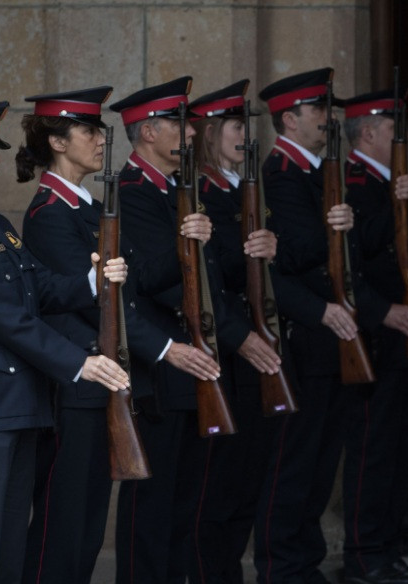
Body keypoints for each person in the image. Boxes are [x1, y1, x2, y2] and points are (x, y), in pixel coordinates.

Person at [0, 101, 130, 584]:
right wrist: (79, 363)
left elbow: (40, 288)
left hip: (15, 404)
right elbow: (4, 317)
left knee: (8, 549)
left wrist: (93, 281)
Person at [16, 86, 221, 584]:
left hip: (104, 383)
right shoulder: (49, 214)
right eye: (89, 130)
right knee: (63, 524)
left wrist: (183, 244)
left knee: (86, 524)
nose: (101, 139)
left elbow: (138, 281)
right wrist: (166, 349)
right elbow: (89, 300)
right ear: (59, 142)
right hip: (77, 385)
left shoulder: (87, 207)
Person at [110, 76, 258, 584]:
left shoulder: (177, 189)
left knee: (188, 501)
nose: (191, 133)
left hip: (197, 360)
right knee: (152, 506)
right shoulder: (131, 193)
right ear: (148, 130)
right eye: (177, 123)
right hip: (163, 367)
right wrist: (182, 240)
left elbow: (211, 277)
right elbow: (150, 279)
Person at [252, 67, 357, 584]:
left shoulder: (318, 174)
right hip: (305, 334)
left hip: (329, 337)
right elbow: (284, 263)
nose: (327, 118)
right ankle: (282, 565)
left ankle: (303, 561)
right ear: (290, 119)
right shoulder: (281, 176)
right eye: (318, 110)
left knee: (319, 463)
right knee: (292, 463)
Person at [187, 78, 285, 584]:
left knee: (248, 479)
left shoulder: (242, 189)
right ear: (209, 133)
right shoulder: (203, 193)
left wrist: (268, 247)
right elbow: (209, 277)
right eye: (233, 126)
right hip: (226, 352)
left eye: (246, 125)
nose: (244, 135)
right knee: (219, 486)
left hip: (254, 351)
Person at [340, 90, 408, 584]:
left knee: (399, 449)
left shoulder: (391, 183)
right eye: (395, 130)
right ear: (370, 133)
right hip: (376, 336)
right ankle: (362, 554)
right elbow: (353, 261)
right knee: (372, 450)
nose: (406, 139)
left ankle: (387, 548)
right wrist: (383, 314)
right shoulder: (353, 181)